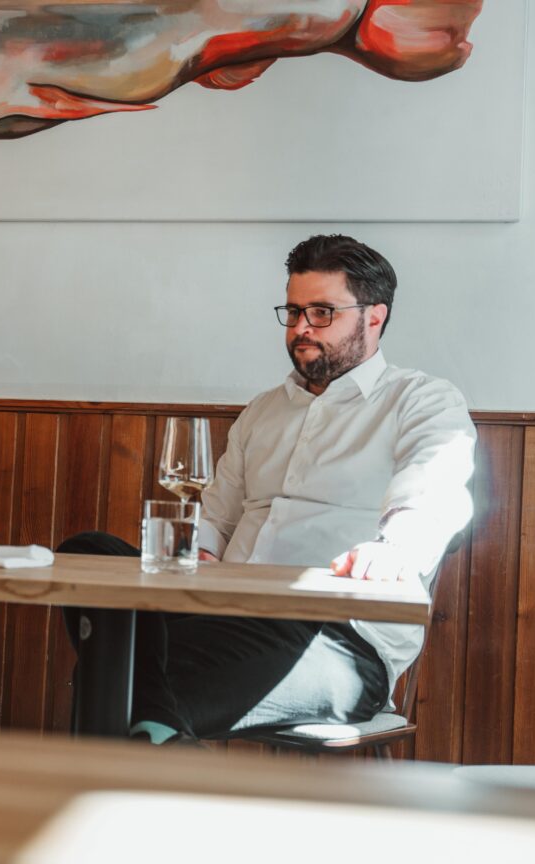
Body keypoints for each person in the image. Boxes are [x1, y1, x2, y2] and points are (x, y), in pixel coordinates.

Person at [62, 234, 476, 744]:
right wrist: (203, 551)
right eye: (294, 311)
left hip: (337, 639)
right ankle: (157, 731)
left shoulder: (422, 400)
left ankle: (145, 737)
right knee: (89, 553)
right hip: (221, 612)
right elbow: (213, 519)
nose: (302, 328)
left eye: (322, 312)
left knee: (111, 677)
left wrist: (395, 548)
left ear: (374, 317)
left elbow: (435, 485)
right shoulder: (263, 410)